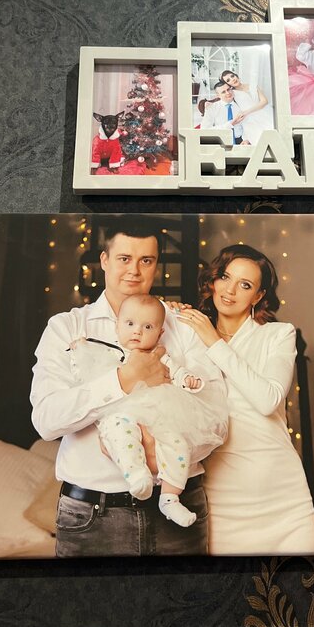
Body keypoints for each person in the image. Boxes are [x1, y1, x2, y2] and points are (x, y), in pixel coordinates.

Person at [30, 218, 227, 556]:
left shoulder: (182, 325)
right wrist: (125, 379)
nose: (134, 271)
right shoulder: (67, 327)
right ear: (105, 260)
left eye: (146, 260)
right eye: (124, 258)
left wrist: (158, 454)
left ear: (156, 265)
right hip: (92, 515)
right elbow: (46, 421)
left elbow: (218, 419)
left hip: (180, 510)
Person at [174, 244, 314, 555]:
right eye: (225, 277)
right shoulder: (189, 334)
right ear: (213, 280)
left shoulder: (278, 334)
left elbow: (268, 400)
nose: (230, 290)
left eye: (245, 284)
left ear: (258, 296)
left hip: (281, 490)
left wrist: (214, 342)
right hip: (220, 491)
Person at [69, 293, 228, 527]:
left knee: (178, 443)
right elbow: (86, 373)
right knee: (120, 432)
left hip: (159, 412)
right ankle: (137, 475)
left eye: (147, 327)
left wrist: (189, 380)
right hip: (123, 411)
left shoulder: (160, 355)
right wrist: (79, 352)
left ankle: (169, 497)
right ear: (117, 326)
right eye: (130, 324)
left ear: (160, 333)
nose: (137, 331)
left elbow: (177, 372)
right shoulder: (110, 351)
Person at [219, 69, 275, 146]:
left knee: (273, 130)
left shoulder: (253, 85)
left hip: (263, 112)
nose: (232, 79)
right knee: (261, 139)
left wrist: (246, 111)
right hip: (249, 119)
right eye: (228, 80)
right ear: (228, 84)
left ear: (236, 76)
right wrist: (208, 102)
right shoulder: (232, 93)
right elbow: (221, 98)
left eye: (232, 76)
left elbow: (264, 101)